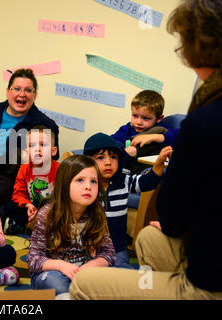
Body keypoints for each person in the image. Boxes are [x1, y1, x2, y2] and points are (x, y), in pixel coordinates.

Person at [69, 0, 222, 300]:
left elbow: (170, 209)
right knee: (150, 238)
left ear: (195, 49)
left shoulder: (202, 121)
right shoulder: (132, 134)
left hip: (210, 281)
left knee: (83, 285)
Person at [27, 155, 116, 296]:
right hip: (53, 273)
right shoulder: (47, 214)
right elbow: (33, 260)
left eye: (94, 181)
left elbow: (109, 254)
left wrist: (94, 264)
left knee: (117, 281)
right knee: (56, 283)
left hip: (84, 272)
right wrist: (62, 266)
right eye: (80, 180)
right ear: (64, 184)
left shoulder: (98, 213)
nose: (88, 186)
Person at [0, 68, 59, 210]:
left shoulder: (45, 125)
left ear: (35, 95)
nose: (22, 94)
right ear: (8, 91)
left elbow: (50, 162)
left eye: (28, 90)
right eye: (17, 89)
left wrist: (28, 158)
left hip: (9, 177)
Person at [83, 132, 171, 269]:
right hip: (89, 249)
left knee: (120, 271)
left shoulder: (124, 181)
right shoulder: (85, 186)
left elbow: (146, 182)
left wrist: (158, 165)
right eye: (101, 158)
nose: (108, 162)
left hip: (117, 248)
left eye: (113, 157)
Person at [0, 125, 60, 235]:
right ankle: (29, 226)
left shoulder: (59, 169)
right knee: (6, 207)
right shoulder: (24, 168)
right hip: (31, 208)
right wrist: (28, 205)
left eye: (43, 145)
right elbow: (18, 193)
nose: (37, 149)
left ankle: (29, 227)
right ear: (27, 152)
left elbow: (64, 197)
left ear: (53, 151)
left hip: (52, 210)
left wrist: (47, 211)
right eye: (32, 145)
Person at [111, 90, 177, 173]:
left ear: (159, 118)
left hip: (146, 173)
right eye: (135, 116)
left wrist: (156, 137)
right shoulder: (127, 129)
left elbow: (181, 137)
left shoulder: (161, 129)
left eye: (145, 118)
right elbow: (111, 141)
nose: (138, 122)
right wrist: (122, 150)